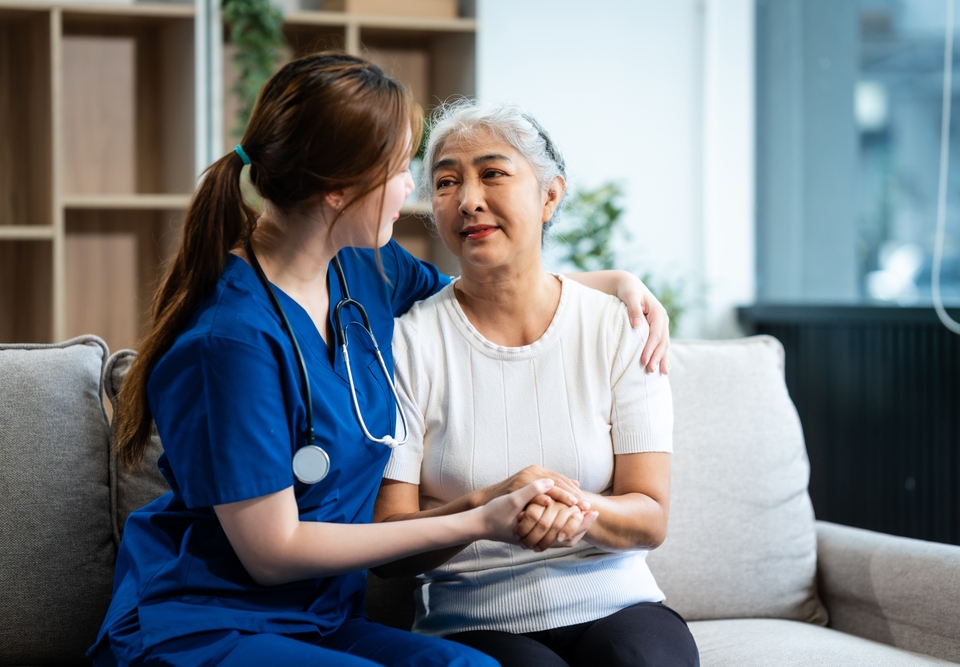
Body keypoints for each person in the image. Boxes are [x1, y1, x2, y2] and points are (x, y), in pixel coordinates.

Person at [88, 54, 671, 667]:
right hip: (208, 621)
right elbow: (271, 554)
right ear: (339, 190)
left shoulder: (364, 268)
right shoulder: (227, 342)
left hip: (322, 620)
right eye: (399, 170)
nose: (414, 189)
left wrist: (618, 283)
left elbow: (492, 288)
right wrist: (481, 517)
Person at [373, 101, 700, 667]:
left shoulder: (621, 326)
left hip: (617, 602)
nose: (468, 199)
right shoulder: (408, 342)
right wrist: (490, 505)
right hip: (473, 619)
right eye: (446, 182)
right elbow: (387, 542)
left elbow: (650, 516)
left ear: (550, 196)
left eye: (492, 173)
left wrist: (569, 507)